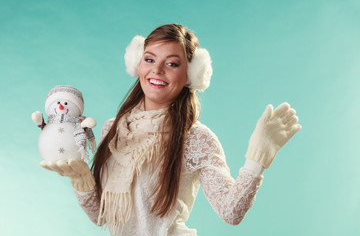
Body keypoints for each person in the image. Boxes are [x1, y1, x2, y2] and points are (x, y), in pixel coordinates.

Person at [40, 24, 302, 236]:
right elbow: (102, 216)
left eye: (172, 63)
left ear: (190, 75)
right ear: (137, 65)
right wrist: (82, 180)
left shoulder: (195, 138)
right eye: (150, 59)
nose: (157, 70)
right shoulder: (114, 129)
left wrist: (256, 159)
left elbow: (230, 212)